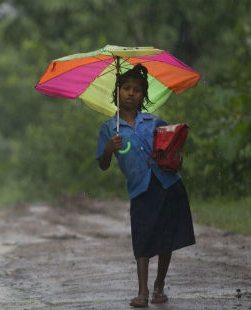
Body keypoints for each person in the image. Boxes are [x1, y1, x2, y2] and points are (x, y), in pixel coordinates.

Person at [96, 64, 196, 307]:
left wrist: (176, 157)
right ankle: (142, 292)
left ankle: (159, 286)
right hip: (141, 189)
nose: (131, 93)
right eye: (126, 88)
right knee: (142, 238)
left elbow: (173, 147)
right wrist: (109, 149)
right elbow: (103, 164)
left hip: (168, 185)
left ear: (144, 95)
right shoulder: (110, 128)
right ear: (117, 92)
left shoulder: (154, 121)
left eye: (137, 90)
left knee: (166, 237)